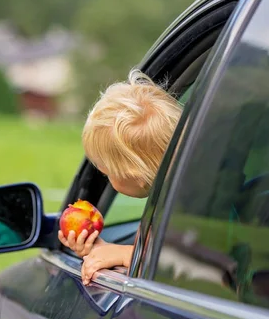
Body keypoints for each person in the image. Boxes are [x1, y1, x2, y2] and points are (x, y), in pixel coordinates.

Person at [58, 69, 182, 285]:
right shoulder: (173, 200)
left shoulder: (185, 210)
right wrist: (101, 251)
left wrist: (126, 255)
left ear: (135, 175)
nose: (102, 172)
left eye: (104, 169)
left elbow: (187, 265)